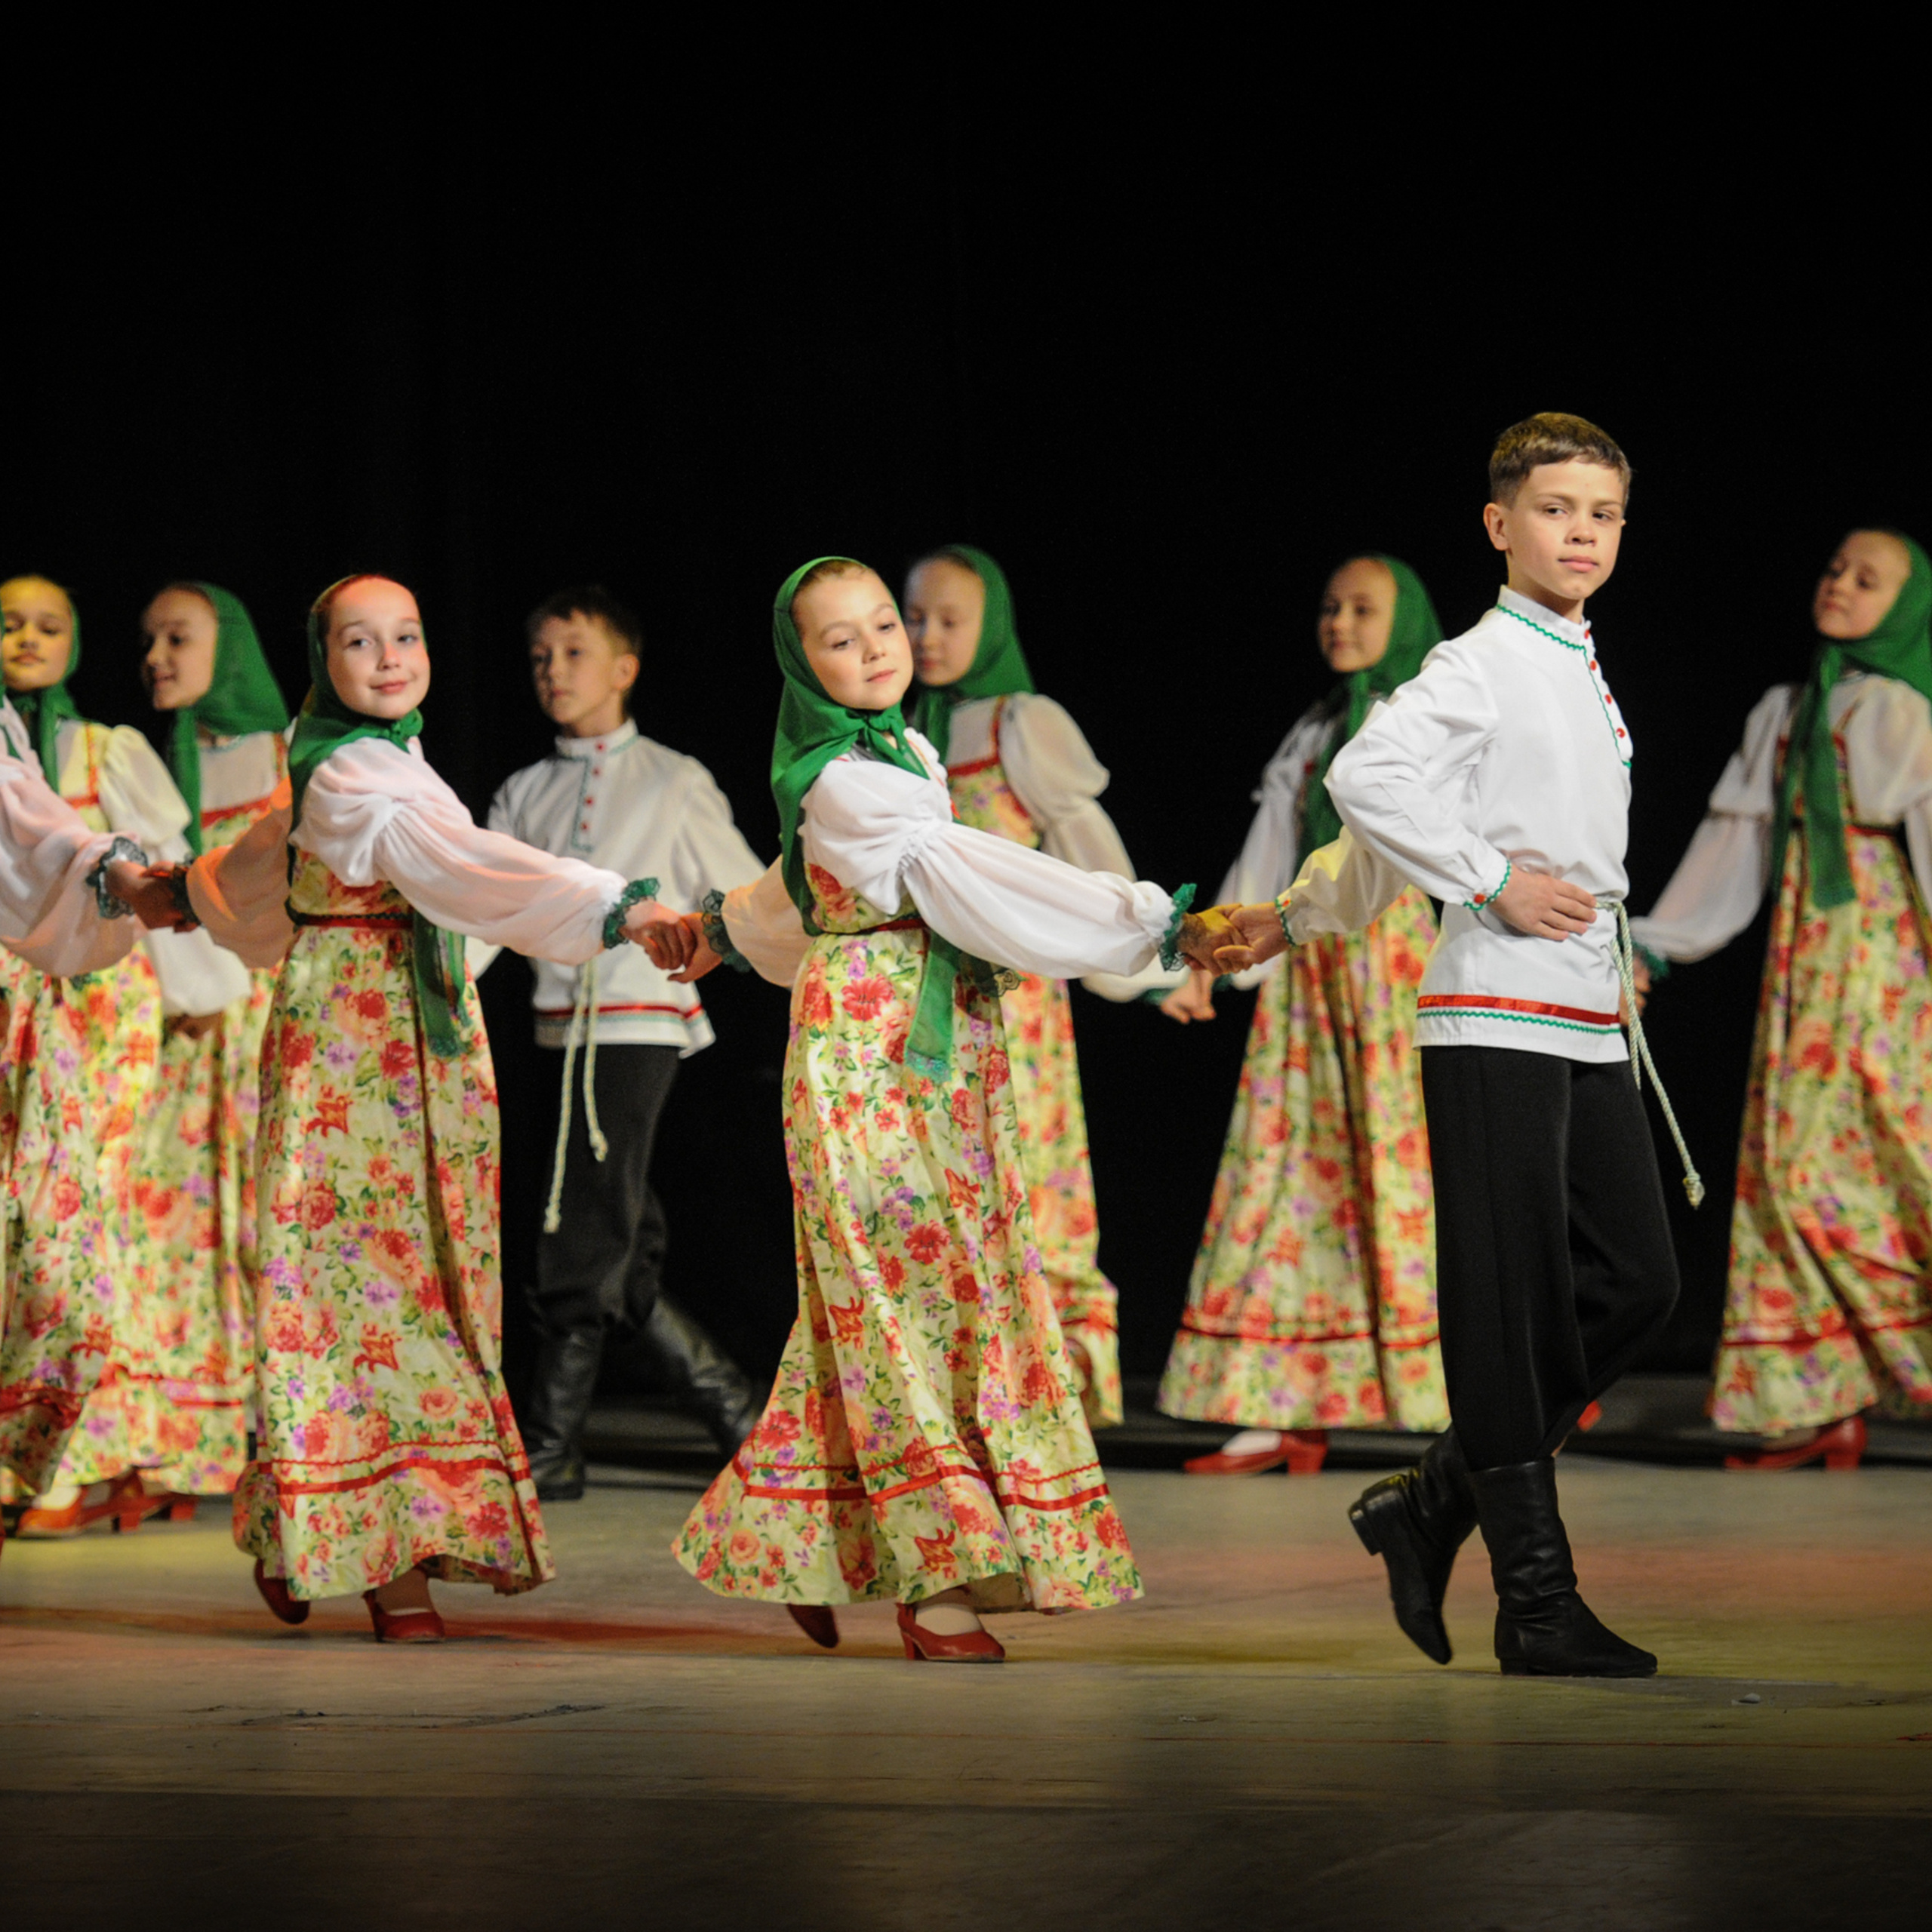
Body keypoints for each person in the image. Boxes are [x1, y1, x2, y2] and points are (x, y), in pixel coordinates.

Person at [647, 558, 1217, 1661]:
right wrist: (1151, 927)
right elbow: (955, 868)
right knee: (897, 1292)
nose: (875, 649)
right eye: (841, 638)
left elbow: (793, 888)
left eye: (881, 627)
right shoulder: (842, 774)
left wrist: (720, 929)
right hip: (869, 1043)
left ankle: (795, 1539)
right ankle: (945, 1577)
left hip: (948, 1038)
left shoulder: (896, 751)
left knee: (911, 1297)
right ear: (799, 664)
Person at [1215, 414, 1680, 1678]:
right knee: (1508, 1304)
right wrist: (1486, 885)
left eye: (1602, 513)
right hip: (1493, 1011)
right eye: (1554, 510)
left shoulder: (1576, 657)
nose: (1580, 532)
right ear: (1499, 525)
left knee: (1640, 1282)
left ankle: (1430, 1500)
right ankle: (1534, 1602)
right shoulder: (1481, 659)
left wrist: (1303, 907)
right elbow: (1373, 786)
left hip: (1583, 1009)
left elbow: (1382, 839)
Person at [183, 574, 668, 1640]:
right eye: (361, 640)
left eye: (407, 634)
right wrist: (613, 906)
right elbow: (462, 868)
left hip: (428, 1049)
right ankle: (384, 1560)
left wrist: (186, 893)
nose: (391, 655)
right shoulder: (350, 770)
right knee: (354, 1292)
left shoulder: (384, 760)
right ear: (324, 660)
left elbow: (259, 872)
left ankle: (314, 1525)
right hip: (349, 1055)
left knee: (432, 1285)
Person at [1631, 529, 1932, 1469]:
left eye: (1866, 579)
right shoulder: (1785, 710)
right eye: (1835, 569)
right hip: (1806, 971)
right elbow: (1737, 850)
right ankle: (1824, 1394)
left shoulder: (1906, 712)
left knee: (1902, 1162)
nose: (1839, 584)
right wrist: (1653, 942)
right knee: (1789, 1167)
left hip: (1889, 967)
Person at [1155, 555, 1448, 1474]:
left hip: (1395, 967)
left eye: (1364, 607)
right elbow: (1272, 845)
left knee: (1407, 1168)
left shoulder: (1430, 718)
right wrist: (1213, 951)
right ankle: (1277, 1401)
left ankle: (1461, 1391)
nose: (1339, 620)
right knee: (1284, 1167)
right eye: (1330, 604)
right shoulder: (1318, 726)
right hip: (1306, 968)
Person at [481, 584, 765, 1497]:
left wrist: (715, 939)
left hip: (640, 1022)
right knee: (620, 1239)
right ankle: (741, 1415)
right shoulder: (525, 789)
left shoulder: (672, 778)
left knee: (581, 1226)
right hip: (558, 1030)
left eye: (572, 653)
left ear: (624, 667)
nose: (553, 672)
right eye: (540, 658)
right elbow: (484, 907)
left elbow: (743, 892)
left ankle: (552, 1446)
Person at [0, 576, 238, 1537]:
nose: (27, 637)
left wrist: (202, 993)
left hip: (100, 1001)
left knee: (85, 1212)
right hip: (15, 990)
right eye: (9, 623)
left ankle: (77, 1459)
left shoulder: (108, 751)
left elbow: (156, 881)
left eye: (49, 624)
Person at [904, 544, 1139, 1428]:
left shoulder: (1018, 723)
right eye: (912, 616)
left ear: (989, 624)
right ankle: (958, 1399)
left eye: (949, 619)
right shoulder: (895, 730)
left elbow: (1088, 851)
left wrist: (1150, 963)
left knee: (1033, 1179)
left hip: (1013, 1008)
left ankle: (1056, 1391)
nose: (926, 636)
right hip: (919, 1005)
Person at [117, 582, 290, 1506]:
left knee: (267, 1219)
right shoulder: (146, 763)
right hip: (180, 1024)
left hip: (265, 1020)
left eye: (178, 637)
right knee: (174, 1226)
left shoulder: (289, 755)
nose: (156, 657)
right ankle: (182, 1436)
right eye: (148, 640)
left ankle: (282, 1431)